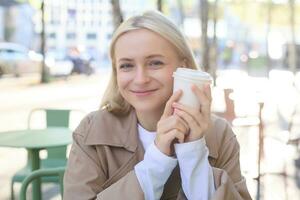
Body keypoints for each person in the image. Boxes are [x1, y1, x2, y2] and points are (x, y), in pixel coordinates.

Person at [64, 10, 252, 200]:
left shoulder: (219, 134)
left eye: (155, 63)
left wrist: (193, 152)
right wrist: (158, 159)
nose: (140, 79)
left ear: (183, 67)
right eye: (127, 65)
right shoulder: (92, 131)